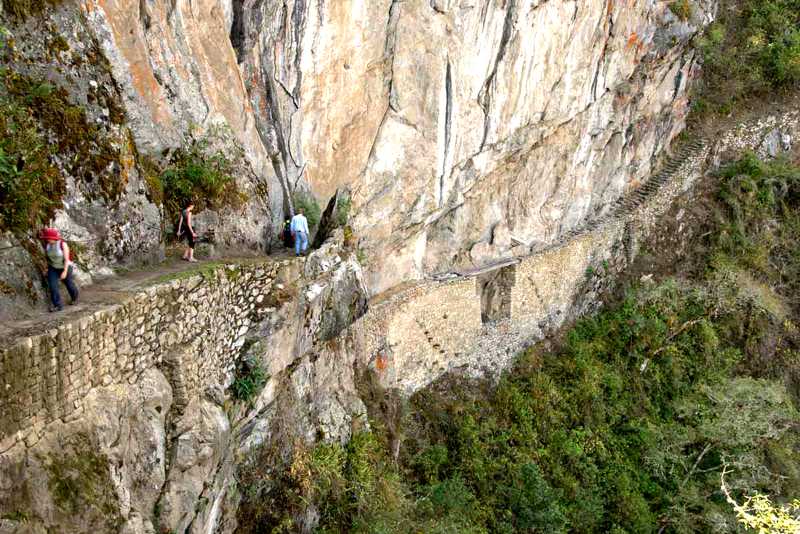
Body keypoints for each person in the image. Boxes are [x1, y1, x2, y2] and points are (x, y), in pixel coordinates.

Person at [39, 228, 79, 312]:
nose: (46, 239)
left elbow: (66, 259)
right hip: (53, 267)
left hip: (65, 266)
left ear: (52, 238)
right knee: (53, 286)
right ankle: (57, 305)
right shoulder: (47, 245)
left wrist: (64, 271)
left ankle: (74, 297)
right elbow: (47, 258)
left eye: (47, 238)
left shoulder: (62, 244)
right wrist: (46, 268)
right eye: (46, 238)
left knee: (68, 284)